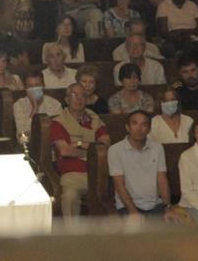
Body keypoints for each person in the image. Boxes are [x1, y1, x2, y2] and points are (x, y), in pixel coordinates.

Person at [50, 83, 111, 218]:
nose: (79, 99)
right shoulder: (58, 123)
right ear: (66, 100)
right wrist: (91, 150)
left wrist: (78, 144)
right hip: (73, 174)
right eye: (74, 95)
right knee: (69, 197)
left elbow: (106, 144)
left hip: (99, 173)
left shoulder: (94, 119)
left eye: (83, 95)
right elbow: (65, 151)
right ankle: (73, 237)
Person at [107, 110, 172, 220]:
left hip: (155, 205)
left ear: (149, 129)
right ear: (127, 127)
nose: (139, 128)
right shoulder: (115, 150)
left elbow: (162, 180)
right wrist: (133, 212)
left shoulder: (158, 148)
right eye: (134, 123)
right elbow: (119, 185)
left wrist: (168, 208)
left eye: (144, 124)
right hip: (127, 207)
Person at [12, 72, 63, 140]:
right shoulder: (19, 105)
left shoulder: (54, 104)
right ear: (25, 88)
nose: (34, 89)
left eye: (37, 85)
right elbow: (23, 134)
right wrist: (35, 107)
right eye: (30, 86)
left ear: (43, 86)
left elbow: (59, 131)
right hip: (28, 144)